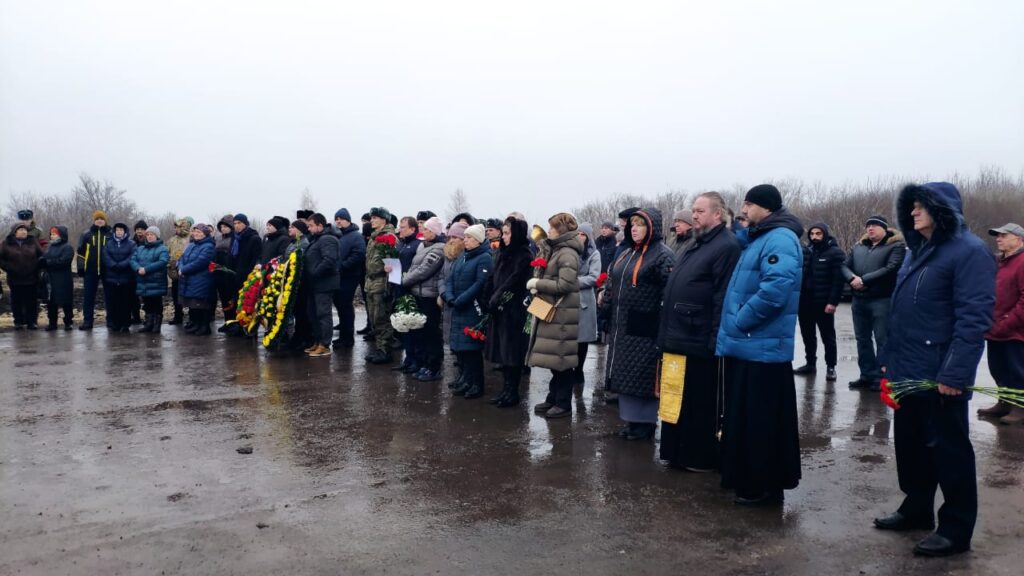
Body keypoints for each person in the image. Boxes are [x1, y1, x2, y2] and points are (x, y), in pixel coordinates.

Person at [873, 182, 995, 557]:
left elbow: (973, 319)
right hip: (909, 370)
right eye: (910, 207)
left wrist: (955, 374)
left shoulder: (969, 252)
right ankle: (917, 509)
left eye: (920, 206)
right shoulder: (916, 252)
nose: (912, 213)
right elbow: (903, 312)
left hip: (940, 373)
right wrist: (890, 362)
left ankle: (956, 529)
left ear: (942, 209)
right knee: (911, 447)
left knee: (949, 451)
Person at [716, 184, 803, 506]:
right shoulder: (760, 237)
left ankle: (764, 485)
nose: (743, 210)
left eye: (747, 205)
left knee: (762, 421)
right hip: (751, 345)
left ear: (762, 207)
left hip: (761, 346)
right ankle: (749, 479)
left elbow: (775, 290)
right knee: (749, 418)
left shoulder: (779, 239)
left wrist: (741, 320)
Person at [657, 192, 741, 472]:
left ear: (718, 214)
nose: (694, 215)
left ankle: (697, 457)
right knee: (673, 397)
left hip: (698, 335)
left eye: (700, 211)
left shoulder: (726, 246)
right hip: (677, 333)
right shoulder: (696, 242)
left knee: (697, 403)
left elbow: (722, 297)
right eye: (693, 211)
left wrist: (715, 337)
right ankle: (674, 451)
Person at [601, 208, 674, 438]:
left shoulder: (662, 254)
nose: (634, 228)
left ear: (653, 227)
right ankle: (632, 421)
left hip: (645, 326)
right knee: (626, 374)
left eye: (640, 224)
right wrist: (605, 301)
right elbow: (614, 280)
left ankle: (645, 424)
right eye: (632, 224)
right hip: (622, 324)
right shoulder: (628, 253)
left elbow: (669, 291)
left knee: (642, 375)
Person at [527, 212, 584, 419]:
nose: (548, 230)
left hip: (561, 314)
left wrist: (538, 284)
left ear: (561, 230)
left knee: (561, 361)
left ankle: (563, 403)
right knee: (555, 361)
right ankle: (553, 397)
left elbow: (566, 284)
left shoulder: (567, 253)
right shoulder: (557, 250)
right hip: (554, 310)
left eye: (551, 227)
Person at [841, 215, 906, 390]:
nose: (870, 228)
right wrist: (852, 278)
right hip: (859, 300)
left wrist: (864, 280)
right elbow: (844, 266)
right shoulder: (859, 247)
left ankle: (882, 377)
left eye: (875, 225)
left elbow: (891, 268)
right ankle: (866, 375)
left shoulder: (896, 246)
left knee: (882, 339)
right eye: (868, 225)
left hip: (882, 299)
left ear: (884, 228)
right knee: (862, 339)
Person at [484, 217, 532, 406]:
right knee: (502, 352)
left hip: (514, 309)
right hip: (500, 309)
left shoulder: (524, 255)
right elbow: (494, 276)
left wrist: (497, 297)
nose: (503, 237)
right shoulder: (503, 253)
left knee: (512, 352)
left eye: (507, 233)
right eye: (503, 233)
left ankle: (513, 392)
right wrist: (488, 294)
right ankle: (505, 389)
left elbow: (514, 280)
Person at [979, 223, 1024, 424]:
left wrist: (1006, 323)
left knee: (1017, 371)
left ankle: (1020, 409)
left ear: (1019, 239)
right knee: (998, 370)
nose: (999, 239)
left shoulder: (1022, 261)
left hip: (1014, 330)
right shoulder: (999, 262)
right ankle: (1004, 403)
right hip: (994, 328)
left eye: (1004, 235)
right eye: (997, 236)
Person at [446, 224, 493, 399]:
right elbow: (450, 279)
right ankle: (465, 379)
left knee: (472, 348)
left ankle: (476, 384)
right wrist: (449, 297)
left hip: (472, 307)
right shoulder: (463, 257)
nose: (464, 240)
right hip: (458, 306)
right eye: (464, 237)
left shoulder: (484, 258)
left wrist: (461, 300)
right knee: (461, 348)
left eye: (469, 237)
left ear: (478, 240)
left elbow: (480, 283)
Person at [794, 223, 845, 381]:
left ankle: (831, 367)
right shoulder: (806, 251)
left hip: (824, 302)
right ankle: (810, 364)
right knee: (807, 335)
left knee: (828, 336)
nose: (815, 237)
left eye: (818, 234)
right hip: (805, 301)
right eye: (812, 234)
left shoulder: (835, 253)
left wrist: (833, 302)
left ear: (825, 234)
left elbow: (838, 280)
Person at [401, 216, 447, 381]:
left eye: (427, 229)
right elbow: (416, 267)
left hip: (430, 295)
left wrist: (404, 281)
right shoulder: (424, 246)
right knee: (422, 332)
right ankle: (424, 364)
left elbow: (424, 270)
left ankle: (434, 367)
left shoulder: (439, 248)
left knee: (431, 333)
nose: (423, 231)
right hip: (419, 293)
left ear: (434, 232)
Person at [299, 213, 340, 357]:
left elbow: (329, 260)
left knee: (323, 314)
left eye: (311, 226)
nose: (308, 229)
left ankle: (325, 344)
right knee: (313, 314)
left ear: (320, 226)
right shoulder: (316, 240)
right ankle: (317, 341)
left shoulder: (328, 239)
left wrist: (314, 273)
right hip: (314, 285)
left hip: (324, 284)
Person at [364, 207, 398, 364]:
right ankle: (379, 348)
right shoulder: (373, 237)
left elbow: (393, 264)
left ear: (384, 220)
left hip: (381, 282)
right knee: (373, 318)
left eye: (375, 218)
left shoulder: (389, 237)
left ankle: (385, 350)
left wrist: (389, 287)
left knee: (381, 317)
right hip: (371, 282)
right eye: (371, 218)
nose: (372, 220)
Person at [389, 217, 422, 370]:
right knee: (404, 325)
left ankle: (416, 360)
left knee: (413, 325)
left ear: (412, 229)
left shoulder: (417, 245)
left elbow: (417, 268)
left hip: (411, 289)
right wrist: (390, 269)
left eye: (403, 227)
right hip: (399, 288)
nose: (399, 230)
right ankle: (408, 359)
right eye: (400, 227)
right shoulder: (401, 244)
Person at [573, 223, 602, 386]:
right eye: (577, 234)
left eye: (583, 234)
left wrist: (572, 282)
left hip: (584, 300)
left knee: (582, 339)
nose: (579, 237)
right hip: (570, 299)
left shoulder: (594, 254)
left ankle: (579, 370)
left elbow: (593, 277)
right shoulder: (571, 252)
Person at [0, 223, 44, 329]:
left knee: (31, 301)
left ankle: (32, 322)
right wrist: (8, 267)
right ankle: (18, 322)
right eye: (21, 230)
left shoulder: (33, 241)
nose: (24, 232)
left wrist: (36, 266)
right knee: (16, 301)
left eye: (25, 230)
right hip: (14, 278)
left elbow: (41, 255)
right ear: (15, 231)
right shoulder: (6, 243)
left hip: (31, 277)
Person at [440, 222, 468, 389]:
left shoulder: (465, 256)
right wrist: (443, 293)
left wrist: (452, 295)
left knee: (462, 341)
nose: (451, 240)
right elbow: (441, 278)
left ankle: (465, 375)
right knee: (452, 338)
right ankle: (461, 375)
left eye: (456, 237)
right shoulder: (447, 256)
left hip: (459, 301)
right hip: (448, 300)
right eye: (449, 237)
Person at [334, 208, 365, 347]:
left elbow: (358, 255)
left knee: (345, 306)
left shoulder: (355, 236)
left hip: (349, 276)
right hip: (340, 277)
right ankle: (344, 336)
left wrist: (342, 266)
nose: (338, 221)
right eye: (337, 219)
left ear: (348, 220)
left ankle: (347, 339)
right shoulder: (340, 235)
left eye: (341, 219)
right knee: (341, 307)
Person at [178, 224, 217, 336]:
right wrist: (180, 267)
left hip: (202, 279)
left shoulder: (208, 246)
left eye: (199, 232)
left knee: (201, 304)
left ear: (205, 234)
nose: (196, 234)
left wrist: (184, 269)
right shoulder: (191, 245)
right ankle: (196, 324)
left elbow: (201, 262)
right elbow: (182, 258)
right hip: (190, 279)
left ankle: (204, 326)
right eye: (195, 232)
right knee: (193, 304)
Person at [130, 226, 169, 334]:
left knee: (156, 303)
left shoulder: (162, 248)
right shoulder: (140, 248)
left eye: (152, 234)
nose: (149, 236)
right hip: (143, 281)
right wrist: (138, 268)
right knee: (147, 303)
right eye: (147, 234)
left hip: (156, 281)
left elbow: (162, 262)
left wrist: (146, 269)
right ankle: (148, 323)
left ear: (157, 236)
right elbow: (133, 260)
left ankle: (156, 325)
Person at [76, 210, 111, 330]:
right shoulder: (87, 234)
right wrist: (81, 267)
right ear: (94, 221)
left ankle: (110, 321)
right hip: (90, 271)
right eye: (97, 219)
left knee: (109, 297)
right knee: (88, 297)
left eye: (101, 219)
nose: (99, 221)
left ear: (105, 220)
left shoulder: (110, 234)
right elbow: (80, 253)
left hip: (108, 270)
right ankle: (87, 321)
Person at [101, 223, 137, 333]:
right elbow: (105, 256)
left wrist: (122, 265)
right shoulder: (109, 243)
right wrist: (113, 265)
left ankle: (125, 323)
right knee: (113, 302)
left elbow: (133, 256)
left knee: (125, 302)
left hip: (126, 278)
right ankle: (114, 323)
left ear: (125, 231)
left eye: (121, 230)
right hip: (111, 278)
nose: (119, 232)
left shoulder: (131, 244)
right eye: (117, 230)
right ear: (114, 231)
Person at [40, 226, 75, 330]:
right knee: (51, 301)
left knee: (66, 302)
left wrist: (48, 262)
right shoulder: (49, 247)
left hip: (63, 279)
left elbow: (64, 261)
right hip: (50, 278)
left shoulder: (67, 247)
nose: (52, 236)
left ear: (61, 235)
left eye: (54, 234)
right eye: (51, 234)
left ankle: (68, 322)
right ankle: (52, 323)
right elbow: (44, 258)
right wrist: (42, 261)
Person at [165, 217, 192, 325]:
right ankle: (178, 316)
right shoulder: (172, 240)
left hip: (188, 271)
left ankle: (191, 317)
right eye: (175, 227)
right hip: (174, 272)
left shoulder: (191, 239)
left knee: (189, 295)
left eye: (179, 227)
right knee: (175, 295)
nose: (176, 229)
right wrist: (169, 265)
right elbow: (167, 253)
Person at [213, 215, 236, 330]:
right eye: (221, 227)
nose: (223, 229)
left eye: (226, 226)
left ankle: (234, 322)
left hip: (230, 272)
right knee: (223, 298)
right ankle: (227, 321)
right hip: (219, 271)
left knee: (231, 299)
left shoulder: (235, 238)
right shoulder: (219, 238)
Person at [130, 219, 149, 324]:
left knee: (147, 297)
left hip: (146, 272)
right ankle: (136, 317)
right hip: (134, 273)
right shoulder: (131, 242)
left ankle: (148, 318)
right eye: (137, 229)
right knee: (134, 297)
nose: (139, 231)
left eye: (142, 229)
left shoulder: (149, 241)